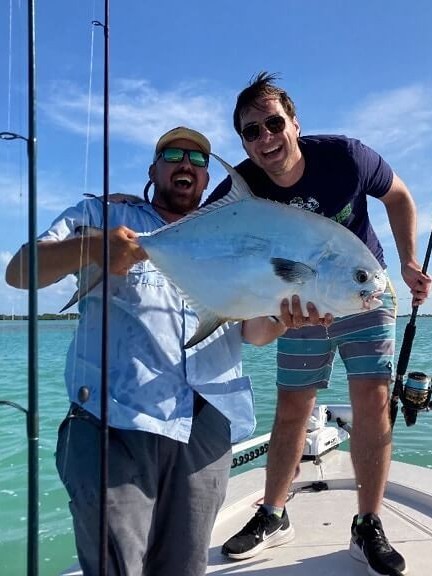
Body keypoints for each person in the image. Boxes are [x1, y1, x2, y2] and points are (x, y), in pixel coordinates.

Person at [5, 126, 330, 576]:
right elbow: (20, 271)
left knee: (185, 566)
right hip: (114, 423)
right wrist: (94, 247)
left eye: (198, 160)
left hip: (205, 426)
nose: (187, 165)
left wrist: (282, 317)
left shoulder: (235, 233)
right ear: (153, 169)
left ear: (205, 178)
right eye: (173, 154)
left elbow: (251, 333)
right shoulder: (104, 215)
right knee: (116, 566)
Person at [206, 73, 431, 576]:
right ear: (242, 140)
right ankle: (272, 513)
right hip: (298, 311)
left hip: (362, 292)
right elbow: (200, 231)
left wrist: (409, 261)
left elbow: (397, 196)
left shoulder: (345, 157)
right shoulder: (243, 185)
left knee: (373, 401)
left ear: (294, 123)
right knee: (292, 408)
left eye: (273, 123)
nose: (265, 138)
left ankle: (367, 523)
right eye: (251, 131)